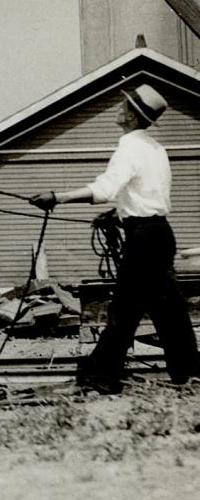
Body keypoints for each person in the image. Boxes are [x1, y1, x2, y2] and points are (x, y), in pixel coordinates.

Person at [30, 84, 197, 393]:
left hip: (144, 239)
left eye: (125, 106)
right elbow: (149, 197)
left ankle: (101, 376)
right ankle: (188, 372)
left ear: (133, 117)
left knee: (126, 309)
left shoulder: (129, 147)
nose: (119, 109)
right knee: (167, 308)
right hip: (160, 234)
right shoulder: (156, 149)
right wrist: (117, 216)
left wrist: (58, 197)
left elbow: (105, 189)